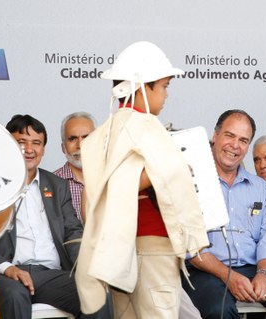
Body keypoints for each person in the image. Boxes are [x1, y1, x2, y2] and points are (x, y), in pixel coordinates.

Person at [75, 41, 209, 318]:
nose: (166, 94)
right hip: (154, 247)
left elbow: (98, 193)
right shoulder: (146, 126)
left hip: (117, 250)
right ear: (142, 87)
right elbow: (129, 180)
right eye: (164, 86)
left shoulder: (104, 132)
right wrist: (173, 167)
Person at [185, 109, 266, 319]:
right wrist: (229, 277)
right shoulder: (191, 183)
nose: (235, 145)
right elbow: (191, 248)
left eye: (243, 140)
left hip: (253, 268)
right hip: (206, 272)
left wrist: (264, 274)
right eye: (229, 135)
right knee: (219, 310)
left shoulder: (260, 188)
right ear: (215, 136)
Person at [0, 114, 85, 319]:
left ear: (43, 149)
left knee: (95, 293)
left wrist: (84, 266)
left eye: (36, 143)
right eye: (21, 142)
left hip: (51, 274)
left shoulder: (57, 185)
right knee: (15, 296)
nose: (29, 149)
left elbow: (73, 232)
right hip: (6, 273)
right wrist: (7, 269)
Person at [53, 111, 96, 222]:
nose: (80, 145)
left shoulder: (113, 178)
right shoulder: (51, 184)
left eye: (86, 137)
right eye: (72, 139)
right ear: (63, 147)